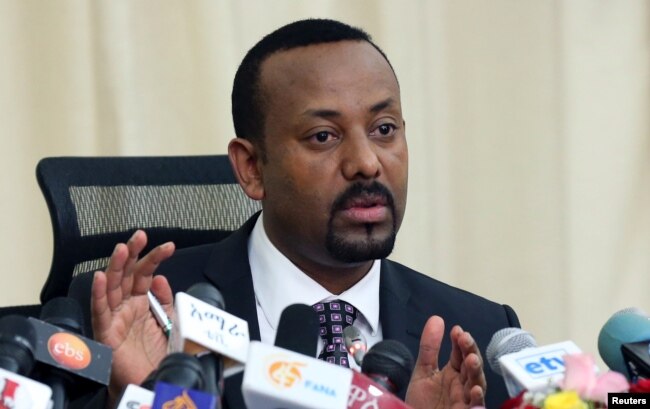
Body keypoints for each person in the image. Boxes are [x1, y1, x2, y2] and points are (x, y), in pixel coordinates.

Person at [79, 18, 520, 408]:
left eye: (384, 130)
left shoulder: (478, 340)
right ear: (252, 168)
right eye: (324, 136)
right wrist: (134, 398)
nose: (366, 162)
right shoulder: (141, 316)